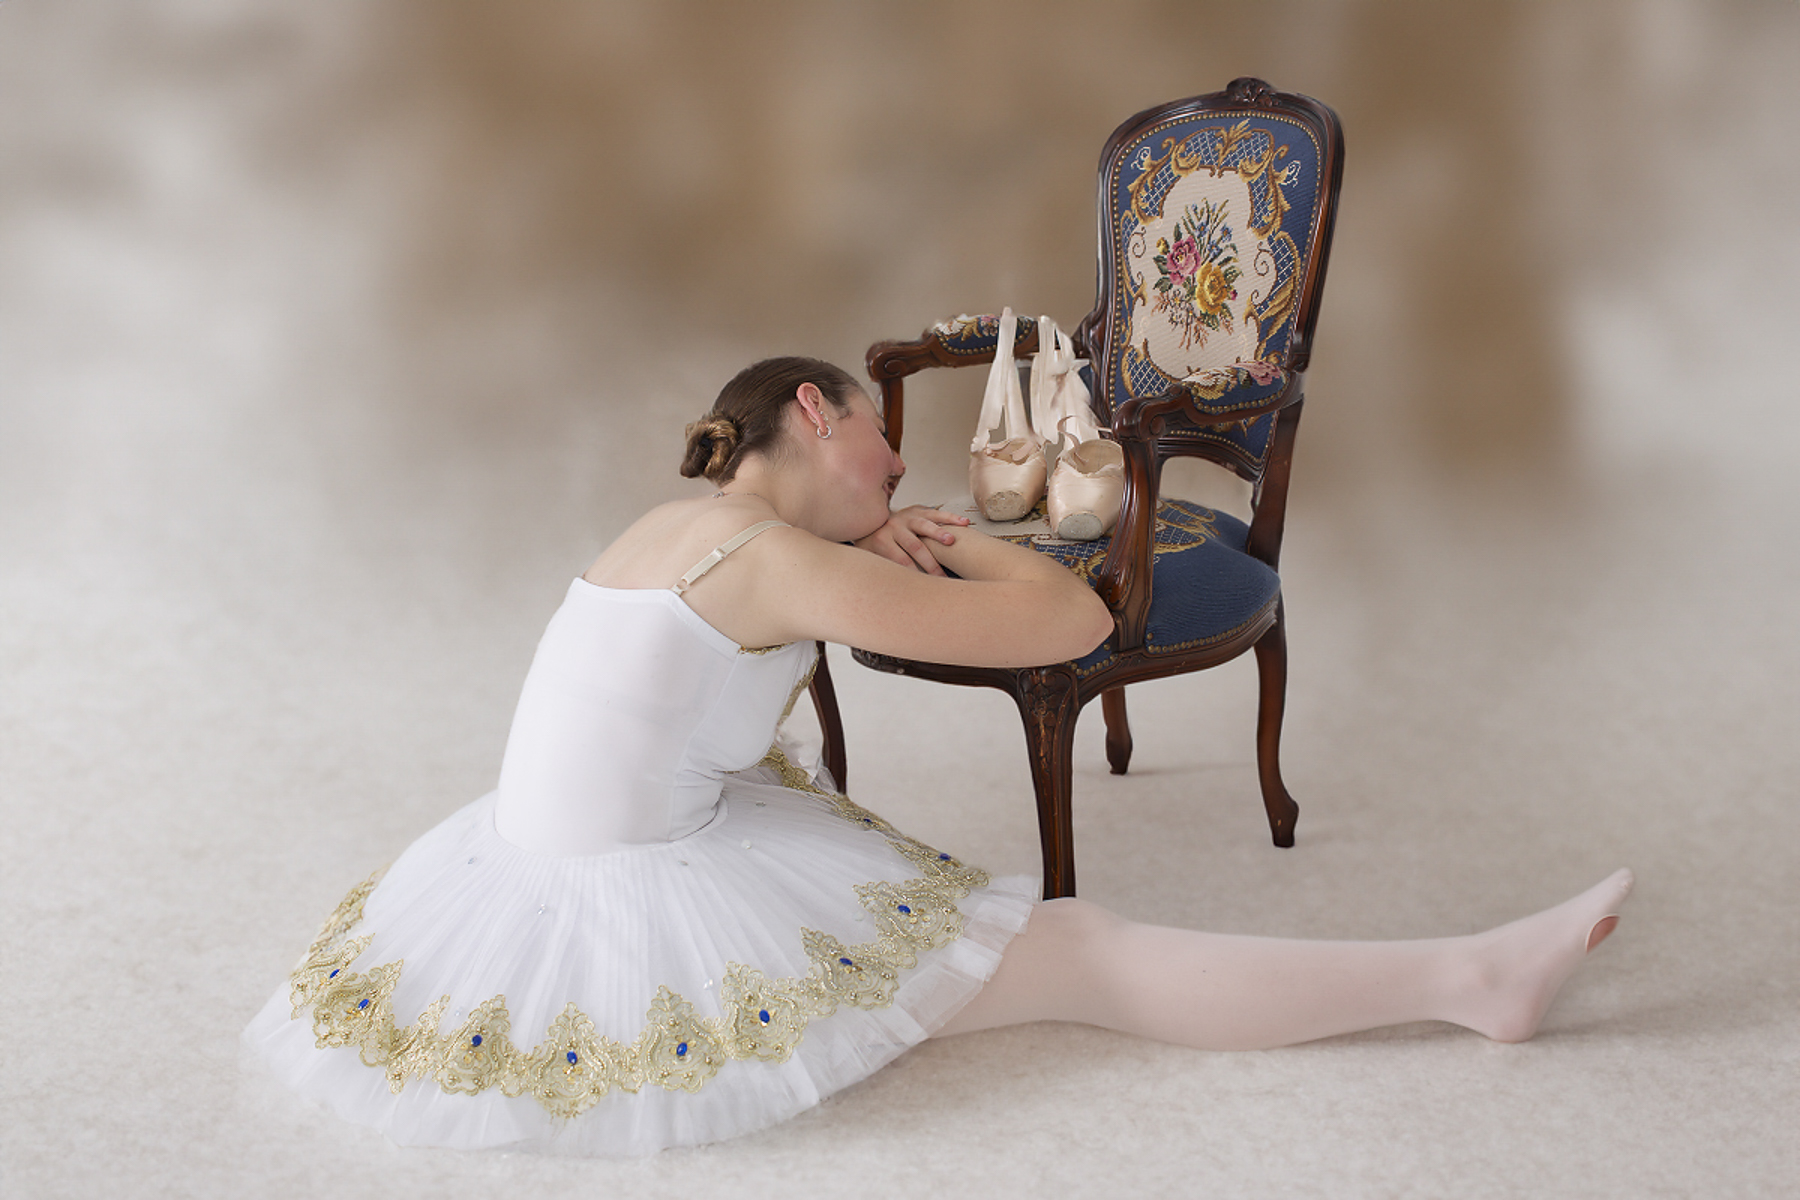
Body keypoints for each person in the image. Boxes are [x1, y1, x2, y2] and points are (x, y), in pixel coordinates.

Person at [243, 357, 1632, 1156]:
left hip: (527, 859)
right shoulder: (773, 558)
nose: (899, 475)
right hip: (637, 896)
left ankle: (1467, 978)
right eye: (884, 450)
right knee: (1083, 952)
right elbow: (1080, 620)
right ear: (816, 411)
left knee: (1004, 928)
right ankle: (1468, 980)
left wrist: (874, 543)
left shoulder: (667, 530)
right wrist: (962, 542)